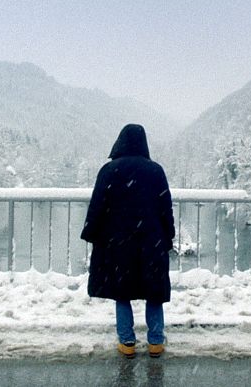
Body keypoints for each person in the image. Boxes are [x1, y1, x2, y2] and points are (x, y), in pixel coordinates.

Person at [81, 124, 175, 358]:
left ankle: (127, 342)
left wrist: (91, 233)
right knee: (153, 291)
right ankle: (155, 342)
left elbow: (97, 207)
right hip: (150, 241)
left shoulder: (109, 170)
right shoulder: (155, 171)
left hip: (118, 243)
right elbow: (166, 208)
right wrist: (168, 235)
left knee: (121, 290)